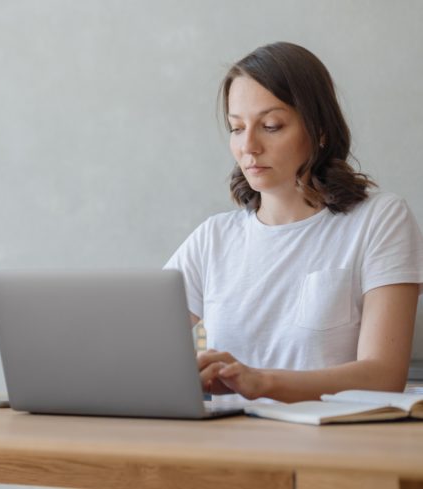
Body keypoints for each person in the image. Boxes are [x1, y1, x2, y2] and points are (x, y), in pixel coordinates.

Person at [164, 42, 423, 403]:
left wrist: (263, 382)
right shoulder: (213, 238)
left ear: (320, 131)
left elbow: (384, 375)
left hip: (333, 445)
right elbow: (138, 352)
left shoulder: (380, 220)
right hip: (225, 446)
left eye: (271, 125)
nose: (248, 146)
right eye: (237, 128)